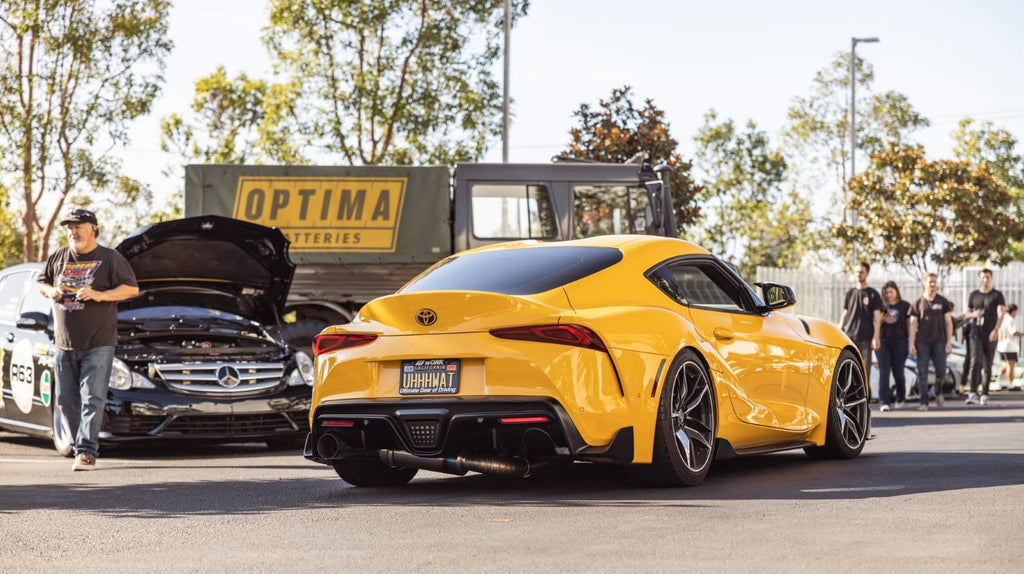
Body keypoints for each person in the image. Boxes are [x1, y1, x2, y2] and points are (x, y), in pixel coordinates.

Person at [37, 208, 138, 471]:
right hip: (63, 342)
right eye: (69, 227)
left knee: (92, 397)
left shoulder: (110, 258)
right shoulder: (58, 257)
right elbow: (42, 282)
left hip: (99, 341)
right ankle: (78, 444)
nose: (73, 231)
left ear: (93, 228)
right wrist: (52, 291)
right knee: (67, 400)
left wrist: (99, 295)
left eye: (78, 226)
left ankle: (86, 452)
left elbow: (131, 288)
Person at [908, 273, 955, 411]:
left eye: (935, 282)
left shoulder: (943, 301)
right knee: (922, 372)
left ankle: (938, 391)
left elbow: (948, 322)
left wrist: (949, 342)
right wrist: (912, 343)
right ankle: (924, 402)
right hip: (922, 342)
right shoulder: (917, 303)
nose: (933, 285)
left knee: (941, 370)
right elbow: (912, 324)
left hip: (939, 341)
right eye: (930, 282)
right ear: (924, 283)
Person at [963, 268, 1007, 406]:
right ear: (979, 278)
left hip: (990, 333)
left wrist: (996, 329)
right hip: (975, 332)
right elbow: (966, 314)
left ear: (992, 278)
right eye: (983, 277)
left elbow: (1001, 314)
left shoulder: (997, 295)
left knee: (987, 364)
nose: (985, 280)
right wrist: (973, 315)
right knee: (975, 362)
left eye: (987, 277)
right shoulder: (974, 295)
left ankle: (985, 394)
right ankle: (972, 392)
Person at [838, 261, 883, 376]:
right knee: (848, 370)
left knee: (864, 371)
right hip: (850, 337)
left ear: (867, 274)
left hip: (866, 338)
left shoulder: (873, 294)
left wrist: (876, 337)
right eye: (857, 272)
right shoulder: (850, 293)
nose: (859, 274)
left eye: (862, 272)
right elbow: (845, 313)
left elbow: (877, 318)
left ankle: (866, 394)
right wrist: (839, 328)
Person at [875, 281, 911, 411]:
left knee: (898, 371)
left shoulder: (905, 306)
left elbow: (909, 325)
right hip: (883, 342)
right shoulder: (881, 306)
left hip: (900, 342)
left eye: (891, 292)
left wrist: (911, 341)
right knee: (884, 372)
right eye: (886, 292)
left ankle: (900, 397)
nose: (889, 294)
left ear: (896, 291)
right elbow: (876, 324)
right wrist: (876, 339)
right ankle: (884, 401)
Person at [997, 303, 1022, 391]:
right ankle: (1011, 384)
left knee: (1005, 365)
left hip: (1001, 345)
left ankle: (999, 381)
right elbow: (1013, 332)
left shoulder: (1003, 319)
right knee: (1011, 365)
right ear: (1013, 311)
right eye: (1016, 312)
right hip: (1009, 346)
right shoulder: (1010, 320)